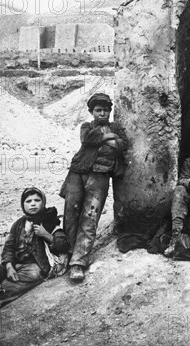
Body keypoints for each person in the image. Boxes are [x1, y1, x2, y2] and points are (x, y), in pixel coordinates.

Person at [0, 187, 69, 325]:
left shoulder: (50, 220)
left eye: (37, 200)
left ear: (43, 202)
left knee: (30, 274)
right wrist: (8, 266)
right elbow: (8, 247)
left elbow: (63, 245)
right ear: (23, 205)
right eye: (28, 201)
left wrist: (47, 235)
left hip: (36, 265)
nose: (33, 204)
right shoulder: (19, 224)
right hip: (16, 263)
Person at [60, 92, 128, 282]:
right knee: (71, 212)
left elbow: (122, 145)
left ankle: (78, 262)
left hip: (100, 176)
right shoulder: (86, 126)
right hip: (77, 173)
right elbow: (87, 138)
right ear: (91, 111)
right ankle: (69, 252)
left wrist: (108, 136)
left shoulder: (116, 128)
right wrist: (108, 136)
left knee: (90, 216)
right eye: (98, 110)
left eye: (106, 110)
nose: (102, 114)